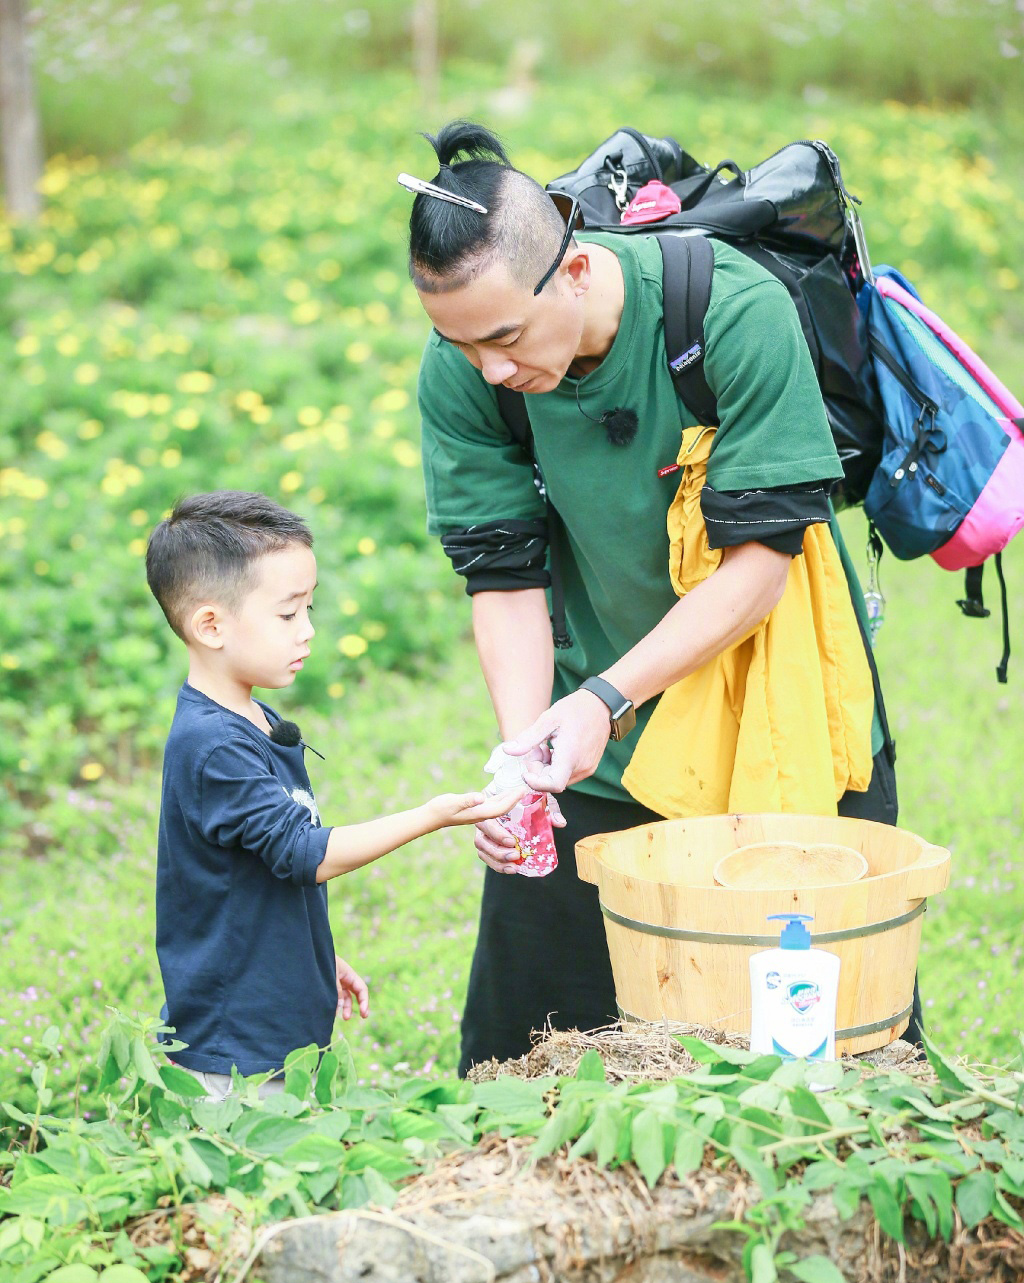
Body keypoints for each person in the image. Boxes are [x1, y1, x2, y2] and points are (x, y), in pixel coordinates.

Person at [404, 120, 918, 1076]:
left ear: (578, 270)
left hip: (781, 705)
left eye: (507, 337)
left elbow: (761, 564)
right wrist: (530, 761)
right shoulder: (468, 368)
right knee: (530, 1058)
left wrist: (605, 697)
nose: (492, 370)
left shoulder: (728, 308)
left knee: (830, 1047)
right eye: (461, 343)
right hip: (601, 750)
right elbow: (503, 575)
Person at [144, 490, 520, 1098]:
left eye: (309, 608)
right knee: (253, 1174)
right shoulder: (215, 749)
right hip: (236, 1049)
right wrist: (431, 816)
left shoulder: (252, 718)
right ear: (209, 625)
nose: (309, 631)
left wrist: (314, 962)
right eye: (288, 615)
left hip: (272, 1013)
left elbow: (259, 876)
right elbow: (304, 854)